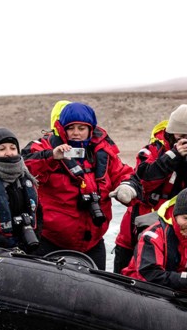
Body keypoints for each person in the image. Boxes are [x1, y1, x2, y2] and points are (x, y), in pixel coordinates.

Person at [23, 101, 133, 270]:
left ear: (91, 129)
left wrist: (128, 187)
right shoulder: (44, 147)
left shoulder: (103, 152)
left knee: (96, 293)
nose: (76, 133)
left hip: (93, 243)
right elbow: (24, 167)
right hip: (51, 241)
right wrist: (52, 156)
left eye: (81, 128)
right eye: (71, 128)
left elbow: (124, 173)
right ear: (62, 129)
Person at [109, 104, 187, 274]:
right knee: (123, 274)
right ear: (170, 133)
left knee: (159, 275)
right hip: (138, 223)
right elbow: (145, 178)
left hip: (173, 228)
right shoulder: (151, 151)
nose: (184, 140)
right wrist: (173, 156)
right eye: (180, 135)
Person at [122, 187, 187, 293]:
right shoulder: (153, 236)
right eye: (185, 218)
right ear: (175, 217)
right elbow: (149, 274)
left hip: (184, 296)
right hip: (142, 290)